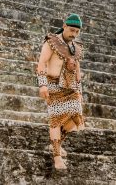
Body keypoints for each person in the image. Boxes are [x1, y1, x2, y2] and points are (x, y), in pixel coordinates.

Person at [37, 14, 85, 170]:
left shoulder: (75, 47)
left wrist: (79, 91)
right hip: (52, 85)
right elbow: (42, 63)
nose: (74, 34)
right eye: (72, 30)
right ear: (64, 26)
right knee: (56, 120)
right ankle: (57, 157)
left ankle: (56, 144)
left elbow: (77, 71)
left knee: (75, 118)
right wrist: (42, 85)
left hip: (70, 88)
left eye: (77, 32)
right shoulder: (51, 42)